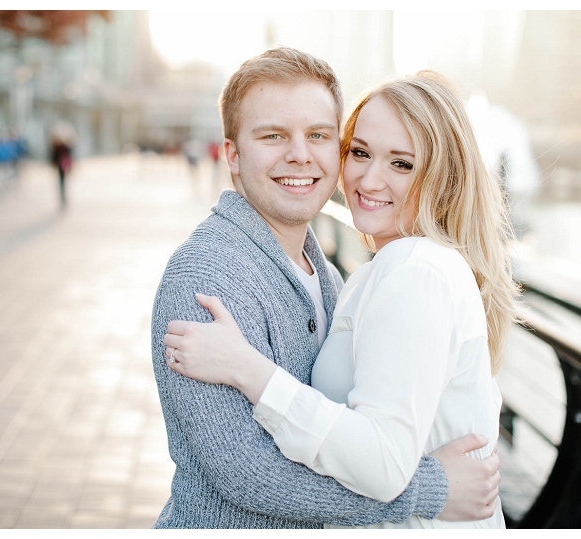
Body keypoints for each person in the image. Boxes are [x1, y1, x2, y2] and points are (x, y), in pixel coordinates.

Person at [151, 48, 500, 529]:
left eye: (318, 135)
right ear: (231, 154)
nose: (300, 154)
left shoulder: (354, 276)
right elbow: (249, 474)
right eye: (273, 135)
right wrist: (431, 489)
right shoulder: (207, 277)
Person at [50, 131, 73, 207]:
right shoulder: (57, 147)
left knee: (63, 182)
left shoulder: (63, 146)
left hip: (64, 166)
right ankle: (63, 198)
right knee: (62, 182)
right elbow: (53, 157)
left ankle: (64, 198)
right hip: (60, 166)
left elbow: (69, 156)